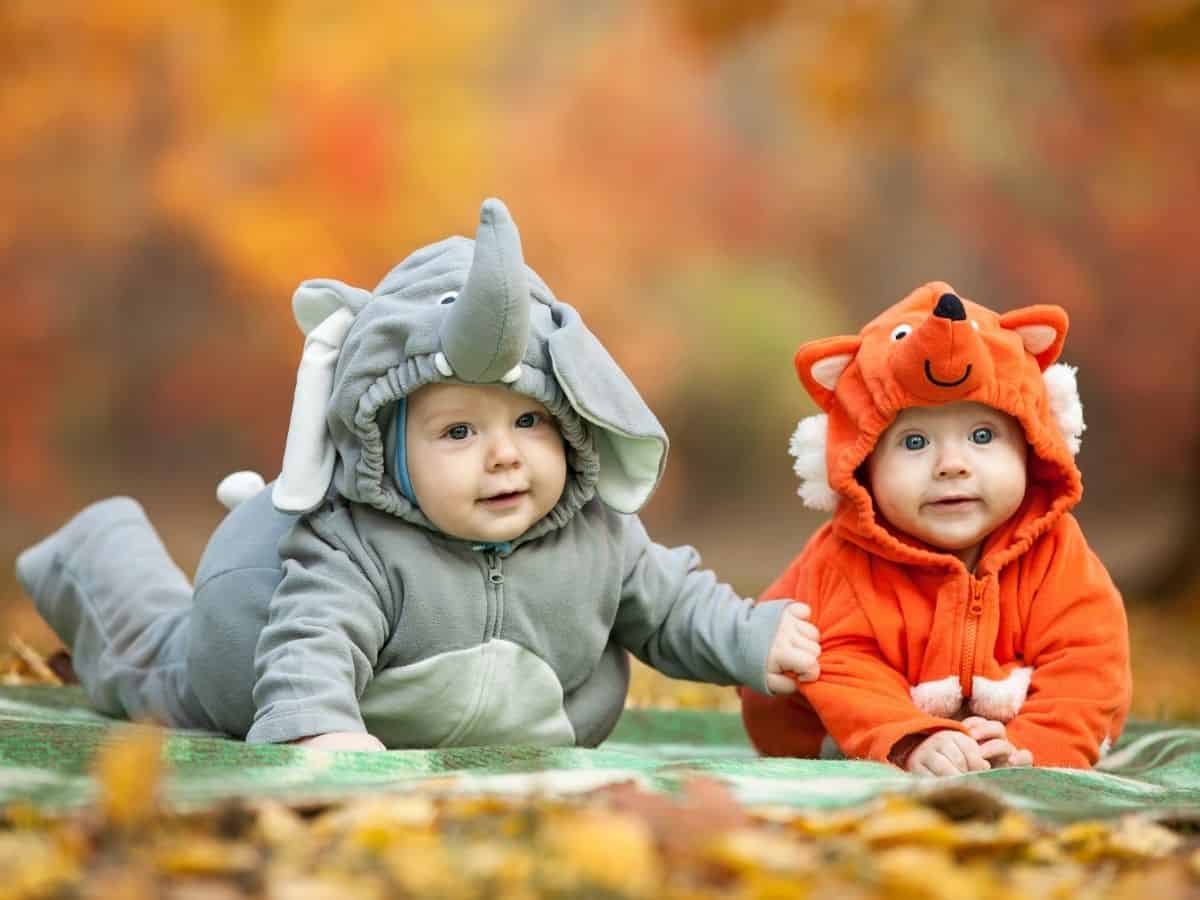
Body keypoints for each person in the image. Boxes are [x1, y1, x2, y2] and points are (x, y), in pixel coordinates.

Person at [16, 198, 820, 751]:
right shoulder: (357, 544)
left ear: (573, 422)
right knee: (144, 663)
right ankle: (96, 551)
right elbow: (312, 636)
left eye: (531, 421)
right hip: (241, 656)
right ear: (392, 452)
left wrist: (750, 637)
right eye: (459, 430)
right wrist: (315, 725)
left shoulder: (599, 536)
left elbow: (673, 604)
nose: (503, 454)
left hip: (506, 717)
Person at [739, 282, 1130, 774]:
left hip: (1004, 726)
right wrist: (911, 740)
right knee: (800, 656)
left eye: (982, 435)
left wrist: (1034, 748)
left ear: (1033, 447)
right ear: (863, 464)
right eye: (915, 441)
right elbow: (840, 662)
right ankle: (862, 753)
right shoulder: (844, 561)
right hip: (826, 727)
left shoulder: (1056, 552)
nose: (951, 465)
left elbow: (1088, 660)